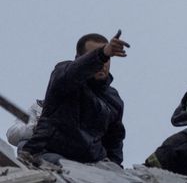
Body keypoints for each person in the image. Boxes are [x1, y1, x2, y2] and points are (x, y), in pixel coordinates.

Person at [21, 32, 129, 165]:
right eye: (97, 55)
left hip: (90, 166)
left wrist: (115, 169)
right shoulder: (64, 76)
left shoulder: (113, 99)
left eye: (108, 58)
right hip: (48, 155)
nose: (103, 63)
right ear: (79, 59)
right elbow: (73, 72)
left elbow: (114, 143)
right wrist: (101, 54)